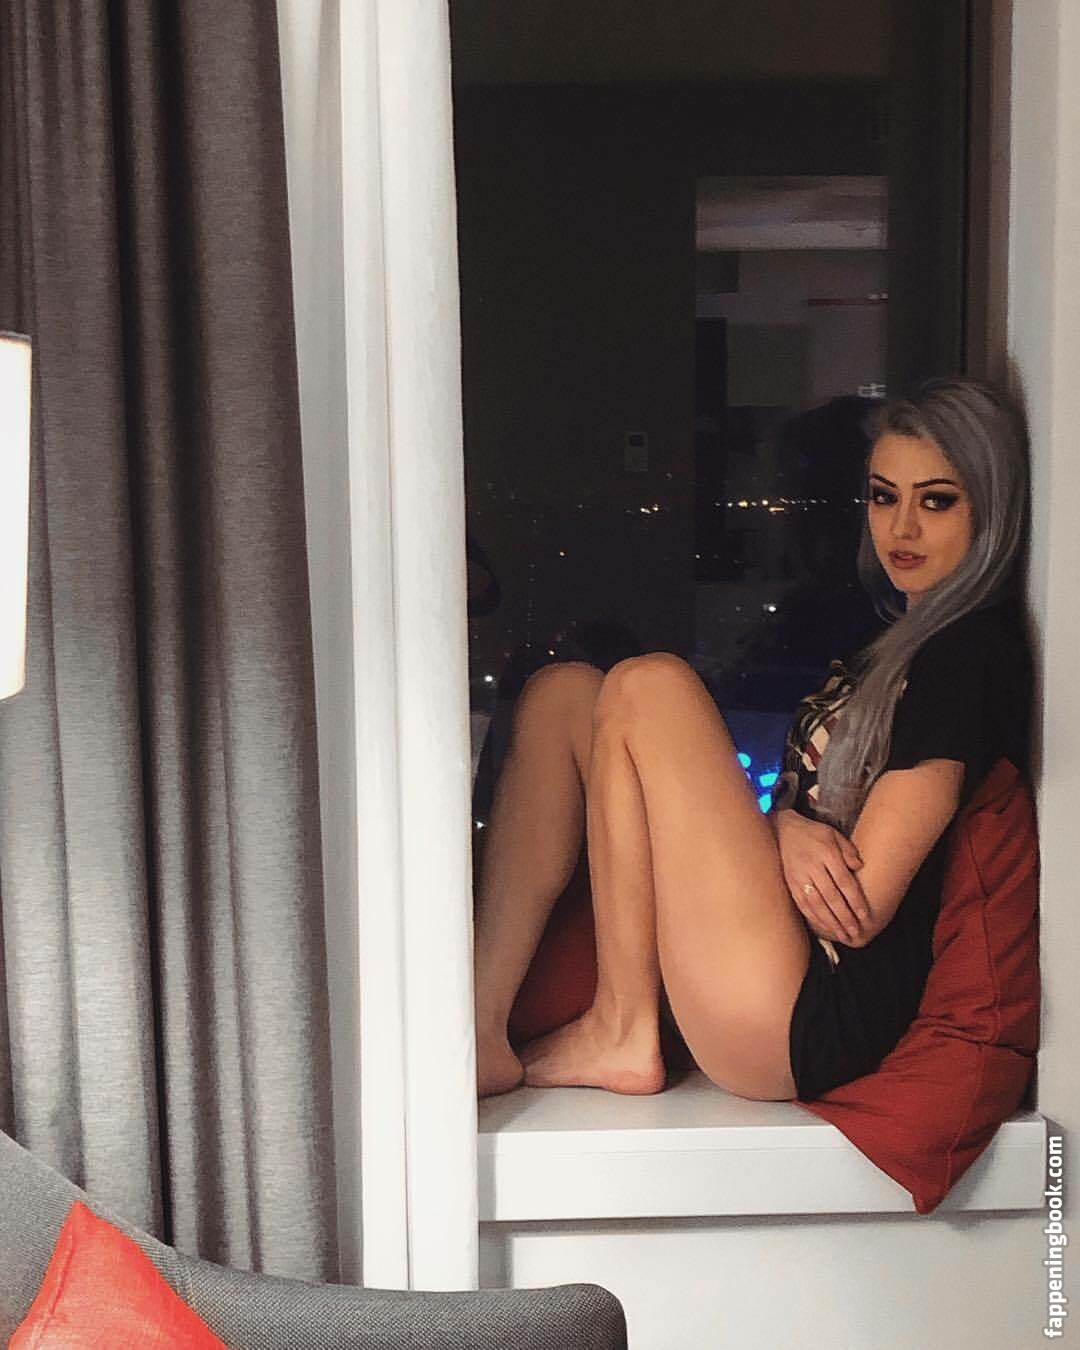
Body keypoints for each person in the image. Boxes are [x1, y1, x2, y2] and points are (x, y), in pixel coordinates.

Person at [472, 377, 1033, 1103]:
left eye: (936, 501)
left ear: (990, 510)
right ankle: (481, 1029)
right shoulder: (894, 641)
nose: (901, 529)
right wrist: (784, 827)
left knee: (652, 685)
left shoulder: (966, 656)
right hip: (771, 954)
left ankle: (623, 1026)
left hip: (810, 1012)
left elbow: (859, 908)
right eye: (883, 496)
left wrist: (779, 832)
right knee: (565, 696)